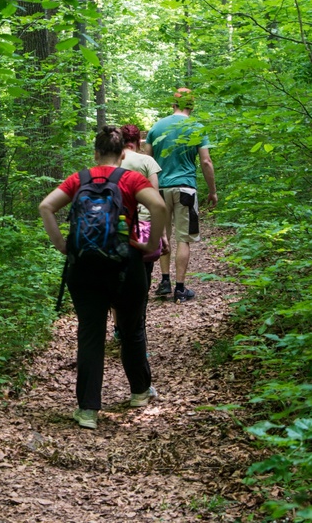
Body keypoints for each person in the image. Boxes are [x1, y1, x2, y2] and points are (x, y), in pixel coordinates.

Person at [39, 126, 167, 430]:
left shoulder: (79, 179)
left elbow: (46, 206)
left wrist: (62, 245)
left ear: (96, 153)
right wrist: (152, 245)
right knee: (131, 328)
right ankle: (139, 392)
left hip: (83, 268)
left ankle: (87, 411)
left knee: (91, 334)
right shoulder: (131, 178)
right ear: (123, 153)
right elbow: (159, 206)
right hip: (126, 266)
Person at [145, 88, 217, 303]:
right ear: (191, 105)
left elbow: (147, 161)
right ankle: (180, 288)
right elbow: (206, 161)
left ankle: (164, 281)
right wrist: (212, 191)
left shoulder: (156, 127)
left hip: (160, 189)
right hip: (186, 188)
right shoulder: (196, 127)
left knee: (163, 235)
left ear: (173, 104)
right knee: (183, 238)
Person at [113, 124, 167, 340]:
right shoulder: (147, 162)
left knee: (117, 279)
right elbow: (156, 200)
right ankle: (137, 328)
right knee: (141, 282)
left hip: (117, 225)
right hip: (143, 226)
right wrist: (162, 235)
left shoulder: (112, 161)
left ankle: (118, 328)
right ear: (138, 141)